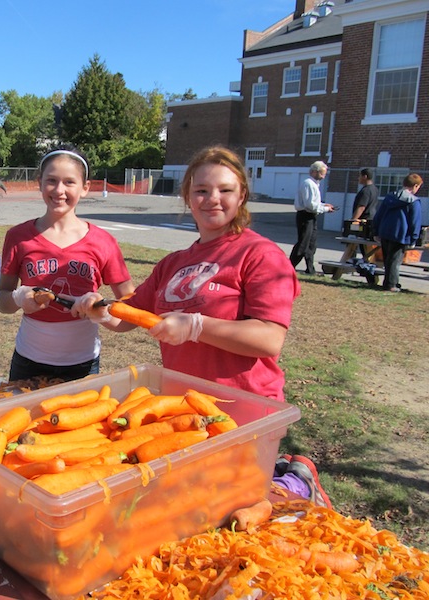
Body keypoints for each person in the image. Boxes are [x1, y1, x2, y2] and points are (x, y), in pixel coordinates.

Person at [74, 146, 331, 507]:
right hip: (184, 406)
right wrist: (100, 310)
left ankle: (298, 481)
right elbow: (127, 316)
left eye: (225, 190)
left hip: (243, 406)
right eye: (201, 190)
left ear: (242, 195)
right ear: (188, 197)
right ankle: (285, 474)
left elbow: (269, 338)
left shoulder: (260, 255)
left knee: (233, 502)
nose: (213, 199)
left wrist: (197, 326)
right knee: (193, 502)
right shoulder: (173, 263)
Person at [0, 146, 134, 383]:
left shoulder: (103, 242)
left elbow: (132, 310)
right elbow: (2, 301)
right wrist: (19, 297)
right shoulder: (18, 237)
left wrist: (102, 313)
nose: (59, 190)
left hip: (82, 365)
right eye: (51, 180)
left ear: (85, 187)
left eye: (69, 182)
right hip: (28, 362)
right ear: (40, 183)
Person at [371, 173, 424, 293]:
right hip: (401, 234)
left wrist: (376, 231)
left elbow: (379, 215)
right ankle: (391, 284)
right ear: (415, 186)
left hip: (385, 231)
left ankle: (389, 282)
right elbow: (415, 221)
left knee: (388, 259)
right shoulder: (413, 201)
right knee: (395, 260)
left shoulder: (390, 197)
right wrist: (414, 238)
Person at [289, 160, 336, 275]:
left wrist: (324, 205)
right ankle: (288, 267)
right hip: (305, 216)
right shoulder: (308, 184)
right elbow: (309, 205)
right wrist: (325, 209)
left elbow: (314, 203)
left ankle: (310, 269)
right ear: (314, 172)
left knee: (311, 244)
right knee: (303, 244)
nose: (323, 176)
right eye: (322, 173)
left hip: (311, 216)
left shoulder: (314, 184)